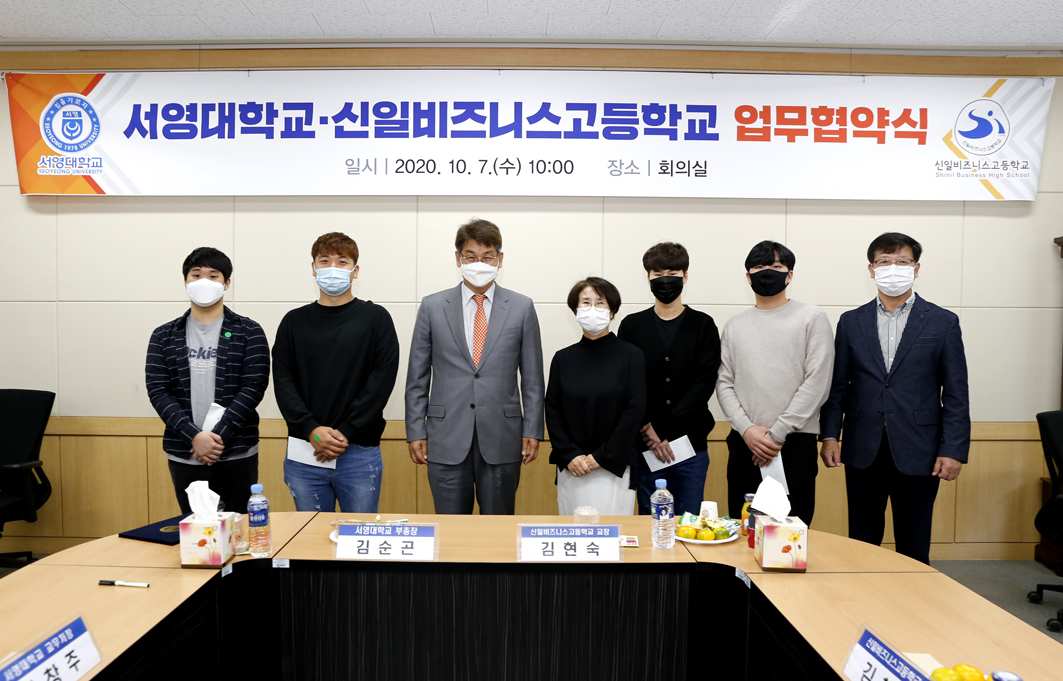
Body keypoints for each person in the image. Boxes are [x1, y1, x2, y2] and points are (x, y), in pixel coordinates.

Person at [820, 232, 970, 565]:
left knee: (914, 542)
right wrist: (830, 435)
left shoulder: (943, 322)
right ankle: (862, 595)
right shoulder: (851, 322)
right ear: (871, 269)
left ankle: (914, 598)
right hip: (862, 447)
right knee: (862, 540)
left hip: (920, 449)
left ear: (916, 268)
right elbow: (838, 386)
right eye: (884, 262)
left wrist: (953, 449)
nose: (893, 268)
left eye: (902, 261)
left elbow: (956, 392)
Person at [405, 218, 545, 515]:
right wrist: (416, 431)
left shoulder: (521, 307)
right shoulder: (432, 306)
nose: (479, 263)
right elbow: (417, 379)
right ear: (458, 259)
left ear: (500, 259)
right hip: (445, 437)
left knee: (498, 527)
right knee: (450, 528)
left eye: (487, 257)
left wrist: (533, 429)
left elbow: (532, 380)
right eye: (471, 256)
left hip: (503, 437)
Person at [272, 232, 399, 513]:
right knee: (310, 537)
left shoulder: (376, 319)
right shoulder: (293, 322)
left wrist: (345, 432)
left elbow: (381, 381)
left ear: (355, 270)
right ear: (313, 268)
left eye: (342, 261)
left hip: (358, 452)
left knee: (360, 534)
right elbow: (283, 382)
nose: (333, 268)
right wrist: (312, 430)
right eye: (324, 260)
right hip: (305, 451)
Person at [716, 241, 834, 525]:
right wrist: (746, 429)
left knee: (790, 532)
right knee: (744, 528)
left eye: (776, 266)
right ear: (748, 277)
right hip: (746, 443)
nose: (767, 272)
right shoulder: (734, 325)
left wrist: (777, 433)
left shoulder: (812, 317)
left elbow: (817, 381)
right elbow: (724, 382)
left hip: (794, 443)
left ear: (789, 275)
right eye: (759, 267)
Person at [146, 247, 269, 516]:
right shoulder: (164, 335)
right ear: (186, 281)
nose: (204, 281)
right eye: (196, 274)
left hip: (237, 451)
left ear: (226, 283)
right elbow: (158, 391)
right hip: (185, 452)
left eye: (213, 276)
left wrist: (217, 437)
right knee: (195, 532)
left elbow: (253, 387)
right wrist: (194, 436)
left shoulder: (249, 331)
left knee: (239, 529)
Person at [617, 242, 721, 517]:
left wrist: (664, 430)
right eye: (658, 273)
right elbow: (627, 384)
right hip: (645, 446)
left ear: (685, 276)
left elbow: (705, 382)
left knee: (690, 522)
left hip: (691, 445)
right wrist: (647, 430)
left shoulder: (703, 325)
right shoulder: (631, 326)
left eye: (672, 273)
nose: (665, 279)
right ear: (648, 277)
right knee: (650, 523)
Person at [546, 278, 646, 515]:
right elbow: (552, 409)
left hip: (614, 465)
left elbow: (635, 410)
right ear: (575, 310)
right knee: (573, 531)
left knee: (613, 531)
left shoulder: (631, 355)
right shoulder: (563, 358)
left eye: (600, 302)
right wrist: (570, 455)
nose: (592, 308)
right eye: (586, 302)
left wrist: (602, 456)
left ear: (612, 311)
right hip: (572, 466)